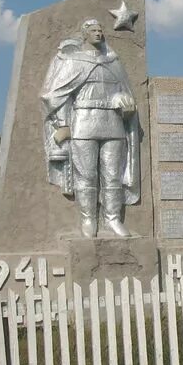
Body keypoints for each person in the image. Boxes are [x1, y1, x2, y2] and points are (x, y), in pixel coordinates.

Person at [40, 19, 140, 237]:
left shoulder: (113, 61)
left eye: (100, 30)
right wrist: (62, 123)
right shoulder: (73, 61)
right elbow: (53, 95)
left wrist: (125, 101)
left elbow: (127, 92)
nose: (99, 33)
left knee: (113, 175)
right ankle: (88, 220)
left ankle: (113, 219)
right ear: (84, 34)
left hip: (112, 122)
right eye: (93, 30)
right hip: (83, 122)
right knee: (86, 175)